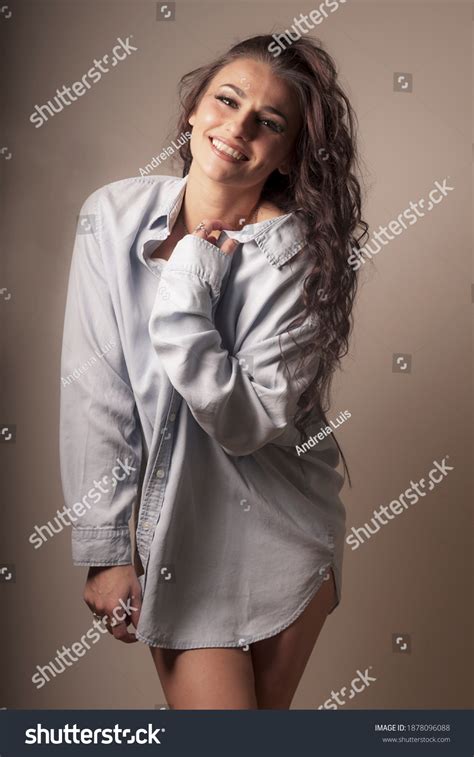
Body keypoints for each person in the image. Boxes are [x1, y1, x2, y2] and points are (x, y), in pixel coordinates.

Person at [60, 34, 367, 710]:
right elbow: (95, 390)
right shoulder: (109, 220)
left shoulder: (297, 258)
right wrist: (106, 547)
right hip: (185, 539)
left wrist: (191, 276)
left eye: (270, 122)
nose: (238, 127)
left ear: (287, 155)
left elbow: (242, 421)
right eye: (227, 101)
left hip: (286, 528)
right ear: (194, 111)